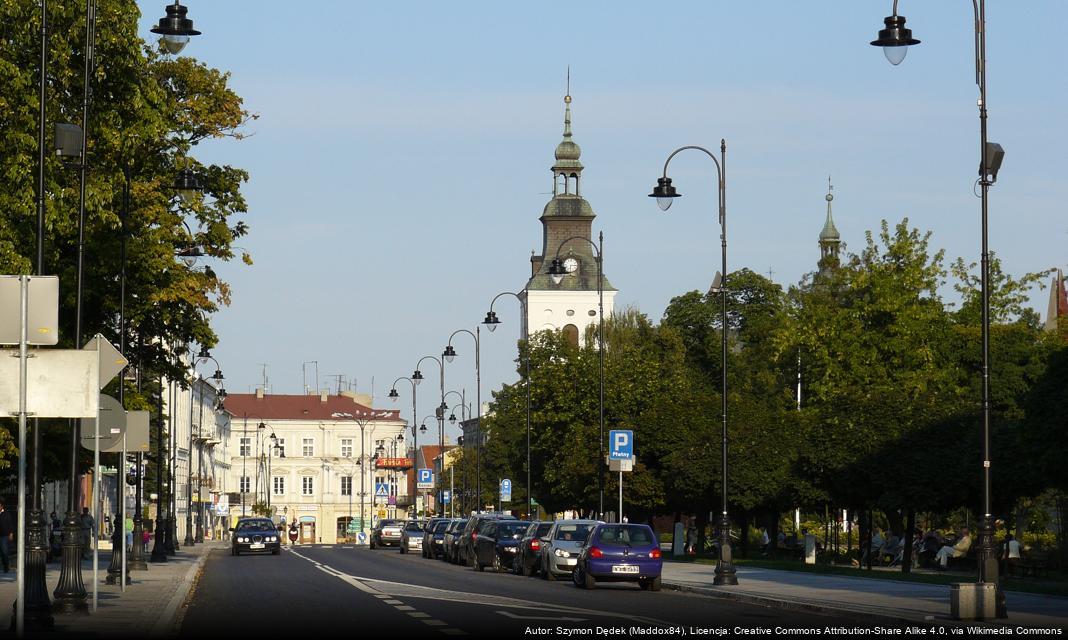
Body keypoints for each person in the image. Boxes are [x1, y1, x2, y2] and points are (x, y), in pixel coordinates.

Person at [0, 500, 14, 572]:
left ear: (2, 506)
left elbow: (10, 524)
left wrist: (11, 533)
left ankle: (6, 566)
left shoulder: (6, 514)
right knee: (2, 552)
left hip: (4, 535)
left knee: (4, 551)